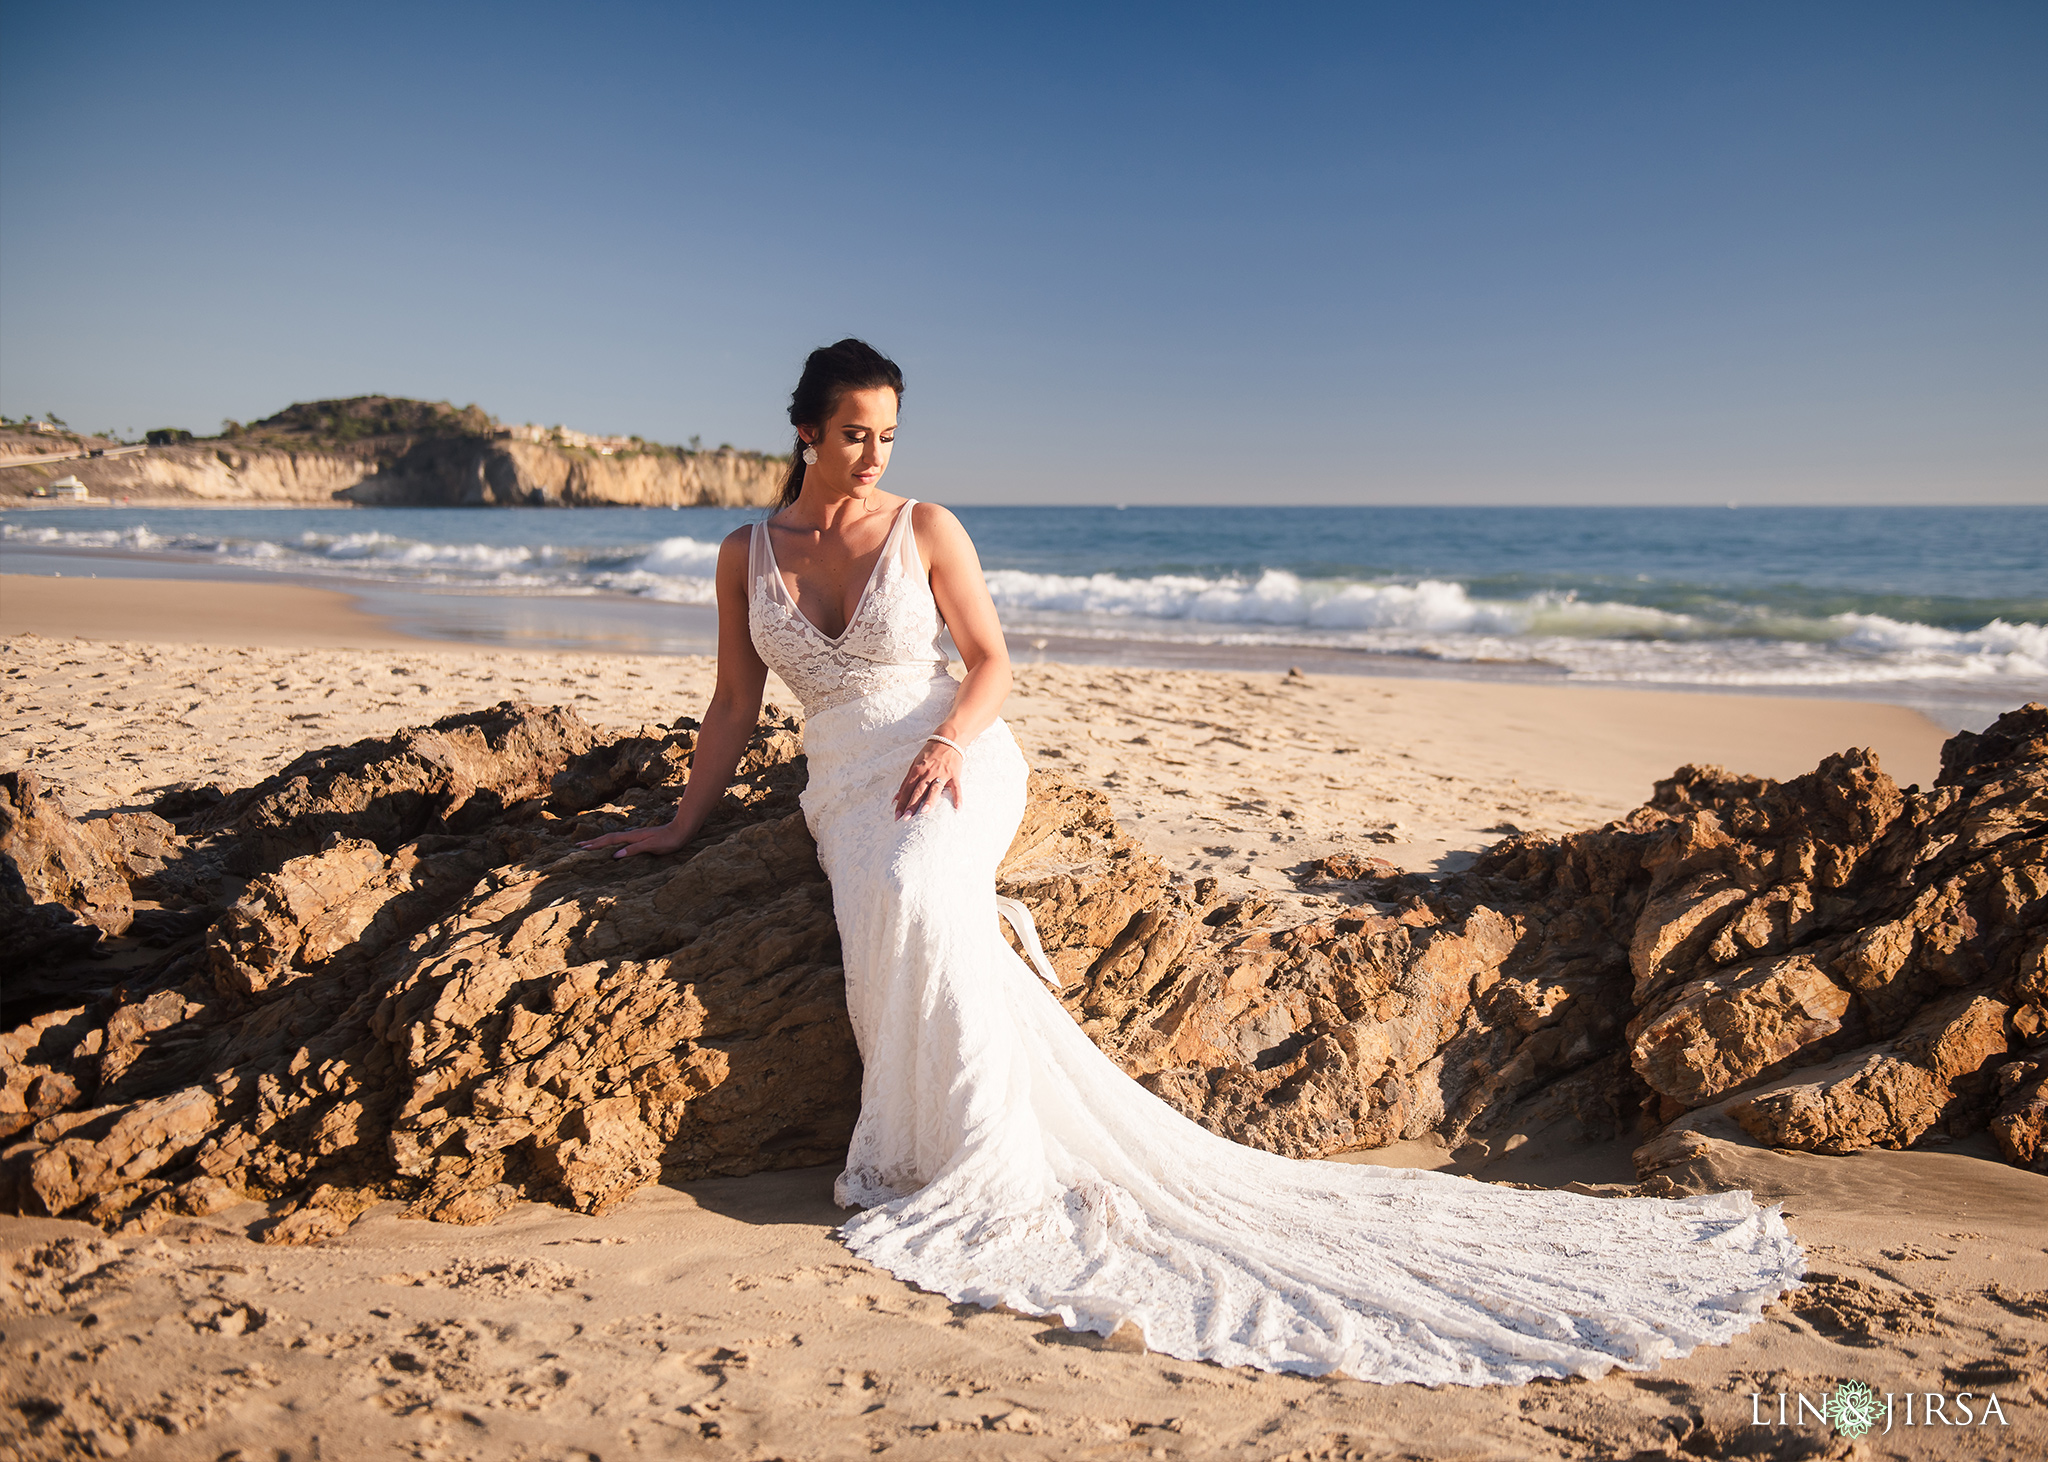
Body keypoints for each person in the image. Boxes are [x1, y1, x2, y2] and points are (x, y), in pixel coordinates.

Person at [579, 339, 1804, 1384]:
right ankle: (946, 1141)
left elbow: (994, 661)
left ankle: (979, 1151)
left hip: (953, 754)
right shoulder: (746, 554)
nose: (874, 455)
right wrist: (680, 826)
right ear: (803, 432)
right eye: (852, 434)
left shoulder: (926, 527)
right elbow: (734, 705)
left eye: (888, 434)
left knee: (920, 888)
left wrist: (954, 736)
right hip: (842, 780)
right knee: (896, 903)